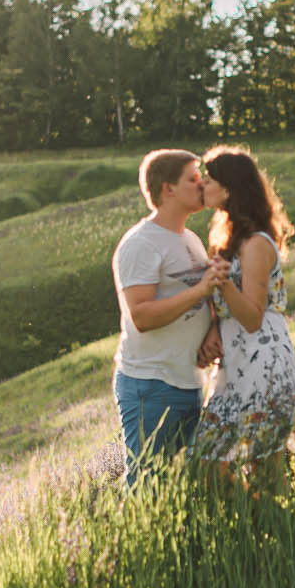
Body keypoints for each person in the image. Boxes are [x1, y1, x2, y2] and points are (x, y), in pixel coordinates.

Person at [112, 149, 227, 486]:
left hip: (188, 381)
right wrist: (201, 291)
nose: (201, 184)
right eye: (193, 178)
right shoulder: (141, 244)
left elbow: (202, 299)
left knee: (186, 486)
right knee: (147, 486)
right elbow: (142, 316)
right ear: (168, 189)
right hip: (151, 384)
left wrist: (211, 332)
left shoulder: (189, 238)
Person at [191, 146, 295, 493]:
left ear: (229, 188)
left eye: (208, 180)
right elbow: (226, 308)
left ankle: (275, 529)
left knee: (265, 470)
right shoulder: (226, 239)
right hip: (233, 367)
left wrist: (221, 282)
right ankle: (255, 524)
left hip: (264, 364)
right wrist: (212, 329)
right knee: (208, 463)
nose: (201, 185)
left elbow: (253, 316)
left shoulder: (255, 243)